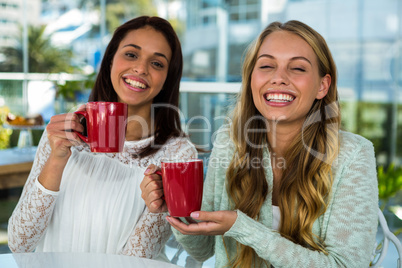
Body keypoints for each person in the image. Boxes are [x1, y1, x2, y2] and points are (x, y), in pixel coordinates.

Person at [141, 20, 379, 267]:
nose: (278, 78)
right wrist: (177, 204)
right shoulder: (229, 142)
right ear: (251, 79)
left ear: (322, 85)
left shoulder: (353, 154)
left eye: (297, 68)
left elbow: (347, 264)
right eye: (266, 65)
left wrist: (243, 227)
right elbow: (202, 249)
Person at [8, 16, 197, 259]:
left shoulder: (177, 153)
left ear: (168, 78)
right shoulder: (66, 130)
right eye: (131, 54)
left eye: (157, 63)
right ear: (110, 61)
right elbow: (19, 242)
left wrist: (160, 207)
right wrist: (56, 158)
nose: (141, 68)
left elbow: (135, 261)